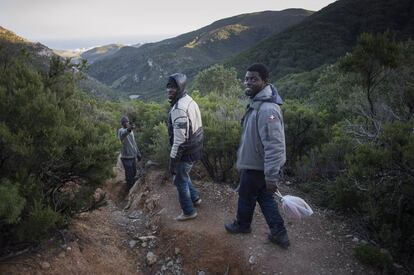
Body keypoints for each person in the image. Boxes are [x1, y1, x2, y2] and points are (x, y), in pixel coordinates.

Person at [224, 63, 290, 248]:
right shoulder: (258, 103)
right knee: (265, 198)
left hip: (257, 167)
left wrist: (271, 176)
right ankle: (279, 233)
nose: (249, 82)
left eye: (254, 79)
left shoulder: (268, 110)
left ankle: (243, 225)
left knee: (246, 196)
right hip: (256, 165)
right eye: (247, 78)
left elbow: (274, 145)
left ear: (265, 81)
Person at [167, 73, 203, 221]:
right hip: (196, 146)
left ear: (180, 88)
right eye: (168, 87)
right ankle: (195, 198)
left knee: (179, 180)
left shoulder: (178, 108)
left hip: (186, 150)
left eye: (173, 87)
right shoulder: (190, 100)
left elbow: (180, 140)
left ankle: (188, 211)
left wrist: (173, 161)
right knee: (184, 174)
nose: (169, 90)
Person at [118, 116, 142, 190]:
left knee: (134, 174)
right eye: (125, 122)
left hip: (133, 156)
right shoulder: (121, 131)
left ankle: (133, 191)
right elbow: (124, 134)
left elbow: (134, 143)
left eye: (128, 122)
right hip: (126, 158)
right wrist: (129, 129)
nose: (127, 123)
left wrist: (138, 153)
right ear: (122, 123)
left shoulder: (131, 132)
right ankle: (129, 191)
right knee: (129, 176)